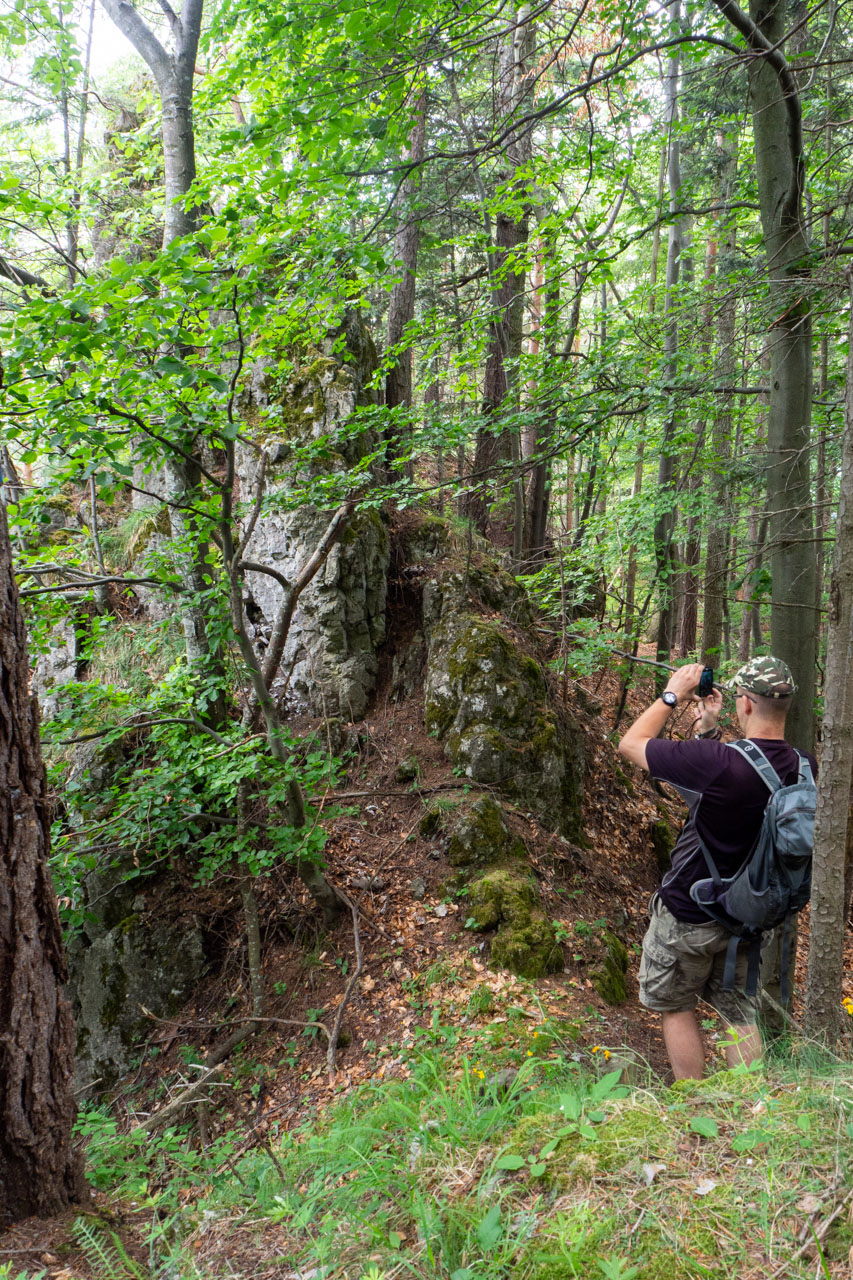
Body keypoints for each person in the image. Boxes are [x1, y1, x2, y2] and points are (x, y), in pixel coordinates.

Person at [618, 656, 817, 1080]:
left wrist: (672, 694)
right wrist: (708, 730)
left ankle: (693, 1103)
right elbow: (739, 792)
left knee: (675, 1005)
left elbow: (631, 744)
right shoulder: (805, 769)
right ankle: (746, 1109)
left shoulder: (717, 762)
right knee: (739, 1015)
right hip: (749, 915)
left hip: (689, 912)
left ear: (744, 704)